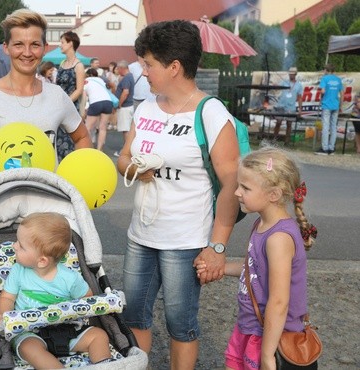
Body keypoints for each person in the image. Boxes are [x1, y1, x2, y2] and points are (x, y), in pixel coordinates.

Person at [116, 20, 241, 369]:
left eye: (149, 64)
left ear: (174, 67)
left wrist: (217, 247)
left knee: (180, 324)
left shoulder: (212, 114)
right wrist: (135, 168)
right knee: (134, 318)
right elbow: (123, 157)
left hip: (185, 240)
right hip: (140, 236)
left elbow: (232, 184)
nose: (144, 73)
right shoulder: (146, 108)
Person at [0, 9, 91, 227]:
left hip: (48, 216)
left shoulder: (56, 96)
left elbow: (82, 137)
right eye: (18, 45)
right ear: (6, 48)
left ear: (44, 48)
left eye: (35, 44)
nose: (27, 52)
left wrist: (78, 179)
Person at [196, 147, 316, 370]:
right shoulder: (262, 224)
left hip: (269, 336)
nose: (236, 193)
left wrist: (268, 355)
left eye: (245, 187)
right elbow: (255, 269)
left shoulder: (278, 238)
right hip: (249, 328)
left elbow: (279, 302)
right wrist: (221, 269)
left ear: (274, 195)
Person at [0, 212, 113, 368]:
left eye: (20, 245)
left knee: (99, 336)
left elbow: (88, 300)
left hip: (69, 330)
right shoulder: (17, 271)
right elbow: (8, 297)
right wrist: (5, 315)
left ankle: (104, 365)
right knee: (28, 348)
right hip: (30, 332)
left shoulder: (70, 278)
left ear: (42, 261)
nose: (14, 246)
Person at [55, 31, 86, 160]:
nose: (60, 45)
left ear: (70, 43)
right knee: (57, 141)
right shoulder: (62, 64)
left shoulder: (78, 66)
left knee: (69, 141)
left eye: (62, 42)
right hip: (58, 106)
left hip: (71, 107)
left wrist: (65, 103)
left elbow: (79, 89)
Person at [315, 63, 343, 155]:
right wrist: (341, 106)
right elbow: (342, 94)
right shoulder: (338, 80)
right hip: (336, 105)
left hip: (327, 105)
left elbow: (322, 91)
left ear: (326, 70)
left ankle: (324, 148)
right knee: (333, 127)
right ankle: (332, 148)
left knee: (326, 127)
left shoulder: (325, 78)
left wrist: (322, 95)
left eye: (324, 70)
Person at [83, 68, 113, 151]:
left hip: (95, 103)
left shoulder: (86, 81)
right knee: (103, 128)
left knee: (88, 127)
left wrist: (83, 110)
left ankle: (88, 148)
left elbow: (84, 98)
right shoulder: (100, 80)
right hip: (108, 102)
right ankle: (99, 149)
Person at [273, 67, 303, 146]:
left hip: (291, 107)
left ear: (295, 74)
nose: (291, 75)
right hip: (281, 105)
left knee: (289, 124)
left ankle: (287, 141)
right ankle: (274, 140)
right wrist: (275, 86)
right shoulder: (284, 82)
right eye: (290, 74)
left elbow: (300, 97)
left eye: (292, 74)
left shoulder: (299, 85)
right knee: (278, 122)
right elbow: (277, 88)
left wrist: (300, 109)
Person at [112, 60, 134, 157]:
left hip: (125, 107)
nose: (117, 71)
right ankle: (127, 150)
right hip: (128, 106)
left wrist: (119, 104)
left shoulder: (126, 78)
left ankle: (126, 151)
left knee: (126, 130)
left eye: (118, 69)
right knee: (126, 129)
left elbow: (125, 92)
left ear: (121, 68)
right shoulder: (130, 76)